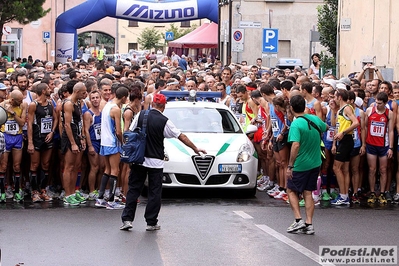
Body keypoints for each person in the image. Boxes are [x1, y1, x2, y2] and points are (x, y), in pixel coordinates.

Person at [120, 94, 206, 231]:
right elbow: (181, 136)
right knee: (154, 192)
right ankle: (151, 222)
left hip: (139, 159)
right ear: (164, 106)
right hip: (156, 161)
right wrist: (195, 148)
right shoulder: (164, 121)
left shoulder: (141, 114)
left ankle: (127, 219)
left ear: (152, 104)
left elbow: (130, 132)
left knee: (134, 189)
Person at [286, 95, 327, 235]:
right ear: (305, 106)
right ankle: (309, 223)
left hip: (300, 164)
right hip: (315, 162)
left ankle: (298, 220)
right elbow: (325, 127)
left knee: (291, 190)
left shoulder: (296, 124)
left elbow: (295, 144)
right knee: (308, 193)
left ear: (291, 108)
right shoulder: (314, 118)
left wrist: (290, 165)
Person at [95, 85, 129, 210]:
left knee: (107, 170)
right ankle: (111, 200)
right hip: (113, 142)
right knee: (115, 171)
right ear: (124, 97)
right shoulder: (116, 109)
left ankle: (100, 198)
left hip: (105, 142)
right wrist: (123, 143)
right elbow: (118, 131)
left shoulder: (107, 105)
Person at [27, 83, 58, 202]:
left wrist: (52, 132)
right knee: (34, 165)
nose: (50, 90)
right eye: (48, 89)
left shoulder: (50, 103)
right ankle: (34, 191)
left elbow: (55, 118)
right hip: (36, 138)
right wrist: (30, 142)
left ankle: (43, 190)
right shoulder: (33, 105)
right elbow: (29, 124)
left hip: (47, 137)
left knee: (46, 164)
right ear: (43, 91)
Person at [363, 92, 394, 204]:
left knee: (383, 170)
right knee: (372, 169)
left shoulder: (389, 113)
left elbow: (390, 131)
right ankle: (372, 192)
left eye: (380, 103)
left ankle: (381, 193)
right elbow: (365, 127)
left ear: (385, 103)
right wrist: (364, 143)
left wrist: (390, 147)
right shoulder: (370, 110)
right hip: (371, 144)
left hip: (383, 145)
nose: (377, 105)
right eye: (376, 102)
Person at [60, 82, 87, 206]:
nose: (85, 94)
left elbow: (79, 122)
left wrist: (81, 138)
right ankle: (68, 194)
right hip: (70, 137)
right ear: (76, 92)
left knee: (76, 166)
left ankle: (73, 191)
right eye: (83, 92)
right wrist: (73, 143)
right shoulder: (68, 103)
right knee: (69, 166)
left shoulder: (78, 103)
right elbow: (67, 124)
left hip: (77, 136)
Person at [0, 90, 27, 203]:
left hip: (17, 137)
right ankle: (2, 192)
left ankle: (17, 190)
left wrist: (12, 113)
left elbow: (22, 123)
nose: (21, 102)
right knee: (3, 166)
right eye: (19, 101)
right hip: (6, 136)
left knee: (17, 166)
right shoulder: (2, 105)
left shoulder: (23, 105)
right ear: (12, 100)